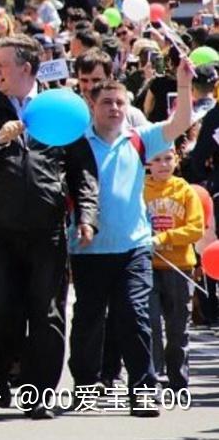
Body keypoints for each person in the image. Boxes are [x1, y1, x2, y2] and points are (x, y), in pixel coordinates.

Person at [0, 36, 99, 419]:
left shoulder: (57, 108)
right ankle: (4, 369)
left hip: (46, 233)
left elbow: (82, 169)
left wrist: (87, 215)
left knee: (48, 313)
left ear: (26, 68)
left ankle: (40, 392)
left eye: (3, 65)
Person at [68, 59, 196, 417]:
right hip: (88, 248)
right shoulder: (76, 142)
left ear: (128, 107)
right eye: (106, 103)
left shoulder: (139, 139)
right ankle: (86, 385)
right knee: (89, 319)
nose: (114, 109)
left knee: (135, 315)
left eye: (120, 103)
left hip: (133, 248)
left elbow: (181, 124)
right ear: (92, 106)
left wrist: (184, 85)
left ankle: (143, 391)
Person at [144, 147, 204, 392]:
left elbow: (196, 229)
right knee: (151, 325)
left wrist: (164, 238)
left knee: (178, 327)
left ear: (176, 160)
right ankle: (153, 379)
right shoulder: (140, 189)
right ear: (148, 163)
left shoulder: (185, 191)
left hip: (180, 267)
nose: (163, 165)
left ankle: (179, 381)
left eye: (168, 159)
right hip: (147, 266)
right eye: (157, 160)